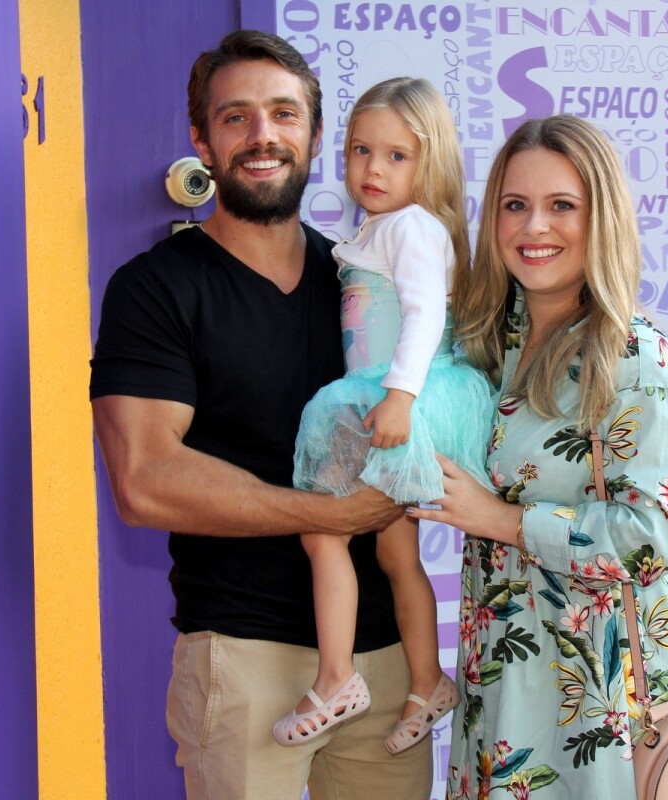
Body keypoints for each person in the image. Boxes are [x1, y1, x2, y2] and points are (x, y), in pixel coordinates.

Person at [89, 31, 433, 800]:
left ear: (315, 134)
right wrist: (330, 512)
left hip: (384, 665)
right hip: (244, 659)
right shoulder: (156, 289)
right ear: (201, 141)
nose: (262, 136)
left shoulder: (361, 281)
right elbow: (145, 480)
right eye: (236, 117)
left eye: (284, 114)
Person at [407, 115, 668, 798]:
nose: (533, 227)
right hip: (507, 684)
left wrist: (504, 520)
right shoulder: (488, 349)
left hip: (609, 701)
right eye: (515, 205)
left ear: (601, 217)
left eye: (561, 206)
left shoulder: (635, 360)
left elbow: (652, 539)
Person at [275, 77, 493, 755]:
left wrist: (399, 395)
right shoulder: (385, 227)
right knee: (395, 549)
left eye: (396, 156)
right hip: (388, 393)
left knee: (321, 533)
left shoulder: (411, 227)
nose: (372, 169)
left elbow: (426, 314)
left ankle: (338, 677)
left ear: (430, 164)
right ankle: (428, 680)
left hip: (393, 396)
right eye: (359, 150)